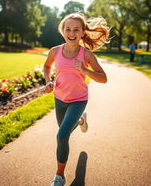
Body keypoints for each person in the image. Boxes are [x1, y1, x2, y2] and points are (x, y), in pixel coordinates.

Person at [43, 12, 110, 186]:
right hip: (59, 98)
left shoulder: (86, 55)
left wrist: (85, 71)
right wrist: (48, 82)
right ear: (62, 31)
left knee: (62, 135)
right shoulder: (55, 51)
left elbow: (103, 78)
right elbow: (47, 66)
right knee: (64, 133)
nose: (72, 33)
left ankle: (59, 176)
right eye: (68, 29)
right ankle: (81, 120)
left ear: (82, 33)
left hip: (78, 99)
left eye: (76, 30)